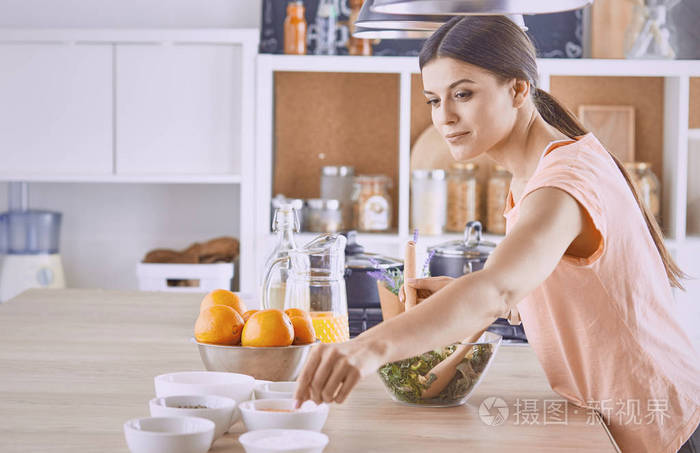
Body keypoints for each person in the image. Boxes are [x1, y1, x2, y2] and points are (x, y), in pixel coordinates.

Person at [293, 16, 700, 453]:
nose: (444, 117)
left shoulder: (563, 183)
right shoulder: (534, 171)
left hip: (663, 427)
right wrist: (461, 296)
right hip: (618, 420)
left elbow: (498, 289)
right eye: (433, 99)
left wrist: (367, 349)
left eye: (463, 94)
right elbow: (558, 287)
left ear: (518, 89)